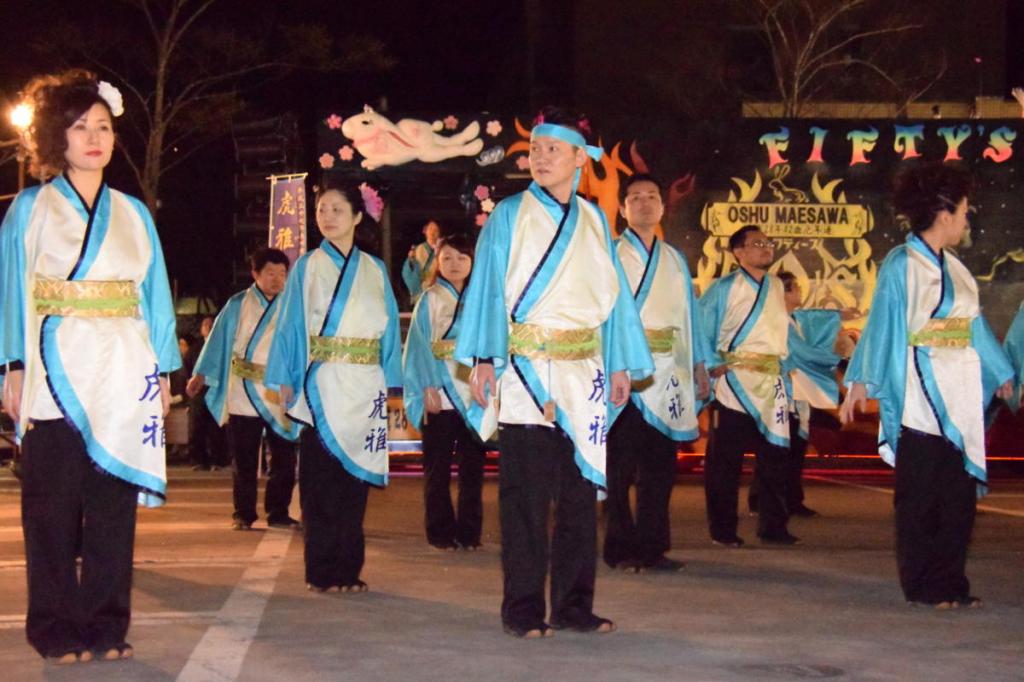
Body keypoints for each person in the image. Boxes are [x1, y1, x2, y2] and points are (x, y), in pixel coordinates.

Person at [0, 70, 180, 663]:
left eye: (102, 126)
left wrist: (162, 374)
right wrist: (14, 365)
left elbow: (154, 299)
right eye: (79, 127)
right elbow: (10, 293)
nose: (94, 137)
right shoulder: (30, 208)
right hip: (54, 373)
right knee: (51, 508)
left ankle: (107, 624)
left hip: (123, 371)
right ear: (59, 138)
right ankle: (53, 626)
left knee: (111, 509)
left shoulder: (133, 213)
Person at [455, 107, 653, 638]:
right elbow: (488, 288)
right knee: (524, 496)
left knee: (579, 495)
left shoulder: (593, 218)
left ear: (579, 160)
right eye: (535, 149)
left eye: (552, 150)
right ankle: (522, 609)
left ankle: (572, 604)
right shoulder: (508, 215)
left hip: (583, 368)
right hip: (526, 369)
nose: (539, 157)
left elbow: (612, 298)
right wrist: (483, 358)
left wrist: (618, 365)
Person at [840, 164, 1013, 609]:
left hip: (960, 390)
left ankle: (951, 581)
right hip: (919, 391)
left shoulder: (957, 270)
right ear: (943, 213)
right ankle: (922, 585)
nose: (967, 220)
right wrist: (860, 379)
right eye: (964, 211)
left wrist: (1002, 373)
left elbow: (973, 327)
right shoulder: (901, 263)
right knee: (920, 498)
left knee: (958, 499)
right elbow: (882, 323)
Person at [266, 182, 401, 594]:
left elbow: (390, 330)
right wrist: (285, 377)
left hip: (364, 386)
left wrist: (395, 385)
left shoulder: (375, 269)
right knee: (320, 481)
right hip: (321, 382)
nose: (327, 217)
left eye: (337, 210)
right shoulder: (306, 266)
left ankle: (349, 567)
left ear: (358, 217)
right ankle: (321, 569)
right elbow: (289, 325)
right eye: (322, 209)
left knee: (353, 484)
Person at [603, 174, 710, 574]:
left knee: (659, 470)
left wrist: (699, 363)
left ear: (663, 207)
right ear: (622, 208)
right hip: (626, 375)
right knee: (618, 469)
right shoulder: (610, 254)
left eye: (652, 196)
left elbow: (689, 316)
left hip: (669, 376)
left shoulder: (675, 259)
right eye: (635, 197)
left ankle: (652, 547)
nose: (644, 203)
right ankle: (619, 546)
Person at [187, 248, 301, 530]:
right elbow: (217, 342)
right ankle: (243, 514)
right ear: (255, 275)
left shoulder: (293, 307)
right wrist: (200, 374)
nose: (277, 280)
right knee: (245, 458)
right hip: (243, 390)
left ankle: (278, 512)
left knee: (284, 457)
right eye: (270, 273)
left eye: (282, 274)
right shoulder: (238, 304)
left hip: (279, 391)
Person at [698, 225, 796, 547]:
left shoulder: (776, 287)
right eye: (756, 243)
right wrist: (711, 363)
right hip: (734, 382)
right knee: (726, 461)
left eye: (767, 243)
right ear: (738, 252)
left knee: (775, 458)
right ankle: (723, 530)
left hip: (771, 381)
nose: (765, 248)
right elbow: (702, 328)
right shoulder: (723, 288)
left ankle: (773, 526)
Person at [403, 233, 497, 551]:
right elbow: (417, 347)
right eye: (447, 258)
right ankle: (440, 532)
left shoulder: (484, 301)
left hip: (475, 395)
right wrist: (425, 385)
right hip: (439, 394)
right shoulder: (429, 300)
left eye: (462, 258)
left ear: (473, 262)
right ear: (437, 262)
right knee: (437, 469)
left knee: (473, 470)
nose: (454, 265)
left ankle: (469, 533)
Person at [747, 271, 849, 518]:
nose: (800, 293)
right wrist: (839, 358)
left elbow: (813, 318)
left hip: (795, 393)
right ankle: (768, 502)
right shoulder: (779, 321)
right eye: (796, 289)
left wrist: (839, 318)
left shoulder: (791, 319)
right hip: (783, 393)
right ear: (785, 293)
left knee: (792, 449)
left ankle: (789, 499)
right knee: (779, 450)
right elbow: (803, 354)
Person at [189, 315, 227, 470]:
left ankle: (217, 460)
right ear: (201, 329)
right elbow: (187, 367)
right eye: (205, 325)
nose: (208, 327)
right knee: (197, 427)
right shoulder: (195, 348)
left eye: (211, 325)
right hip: (198, 393)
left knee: (215, 428)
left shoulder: (221, 347)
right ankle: (199, 460)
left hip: (215, 389)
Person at [401, 219, 441, 303]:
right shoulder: (418, 249)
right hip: (421, 289)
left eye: (436, 230)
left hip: (438, 289)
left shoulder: (443, 250)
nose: (432, 232)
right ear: (424, 230)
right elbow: (409, 269)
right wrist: (410, 260)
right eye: (430, 229)